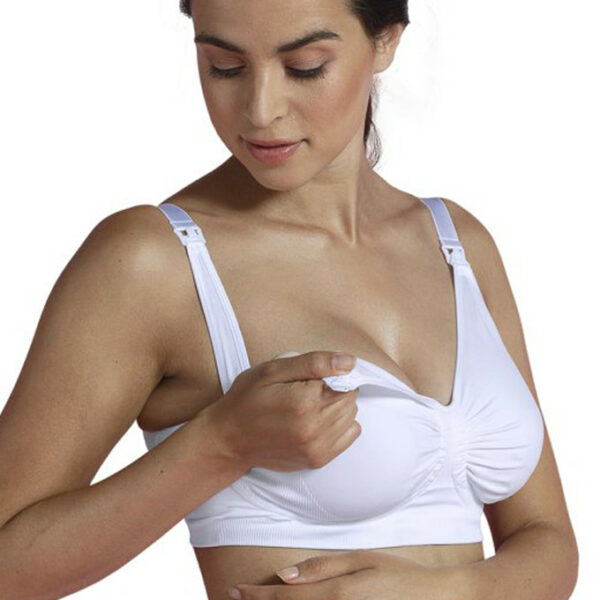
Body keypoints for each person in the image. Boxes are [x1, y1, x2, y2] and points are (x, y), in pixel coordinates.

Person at [0, 1, 578, 599]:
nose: (260, 110)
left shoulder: (457, 243)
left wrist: (434, 593)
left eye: (305, 67)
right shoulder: (156, 262)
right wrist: (220, 445)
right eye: (225, 67)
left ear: (385, 40)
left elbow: (548, 542)